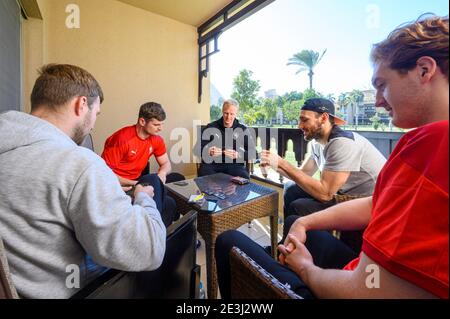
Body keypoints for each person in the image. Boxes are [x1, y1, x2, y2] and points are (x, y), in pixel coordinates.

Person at [216, 14, 448, 299]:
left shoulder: (426, 146)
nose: (377, 100)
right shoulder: (319, 142)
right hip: (361, 261)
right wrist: (290, 191)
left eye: (382, 85)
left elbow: (327, 195)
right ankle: (284, 253)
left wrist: (306, 270)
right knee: (294, 203)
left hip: (355, 280)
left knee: (228, 241)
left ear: (425, 71)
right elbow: (374, 203)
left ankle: (285, 266)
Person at [0, 64, 166, 298]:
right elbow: (149, 250)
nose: (93, 125)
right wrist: (141, 198)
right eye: (96, 114)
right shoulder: (79, 164)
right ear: (81, 105)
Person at [260, 97, 386, 220]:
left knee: (298, 207)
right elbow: (304, 173)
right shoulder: (317, 142)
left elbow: (325, 194)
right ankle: (287, 240)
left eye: (304, 120)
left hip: (366, 201)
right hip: (340, 194)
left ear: (324, 118)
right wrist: (275, 164)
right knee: (291, 188)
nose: (299, 126)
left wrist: (283, 163)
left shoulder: (342, 143)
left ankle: (297, 237)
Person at [101, 102, 182, 227]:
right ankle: (151, 230)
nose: (160, 128)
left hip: (138, 181)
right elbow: (104, 174)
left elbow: (166, 163)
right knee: (167, 200)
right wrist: (134, 183)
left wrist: (162, 173)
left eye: (161, 124)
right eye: (156, 124)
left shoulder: (156, 139)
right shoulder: (122, 139)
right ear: (142, 121)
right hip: (120, 185)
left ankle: (161, 235)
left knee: (177, 179)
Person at [198, 99, 256, 179]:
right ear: (222, 111)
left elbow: (253, 153)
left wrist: (238, 154)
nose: (228, 117)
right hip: (212, 165)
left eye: (232, 114)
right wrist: (209, 151)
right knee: (203, 175)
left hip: (234, 166)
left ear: (236, 114)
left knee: (244, 178)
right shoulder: (211, 127)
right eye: (226, 113)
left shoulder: (242, 129)